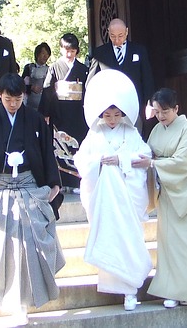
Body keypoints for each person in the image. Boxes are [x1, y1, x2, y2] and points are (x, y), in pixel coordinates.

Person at [0, 73, 64, 322]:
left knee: (32, 245)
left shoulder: (34, 119)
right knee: (4, 247)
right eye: (8, 99)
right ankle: (12, 301)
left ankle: (25, 301)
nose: (13, 104)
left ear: (24, 96)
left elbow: (47, 153)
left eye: (18, 99)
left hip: (30, 187)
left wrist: (53, 184)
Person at [73, 69, 153, 312]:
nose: (112, 119)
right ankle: (113, 285)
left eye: (116, 114)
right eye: (107, 114)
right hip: (105, 200)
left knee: (129, 238)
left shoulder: (131, 131)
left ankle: (130, 290)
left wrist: (120, 159)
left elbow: (145, 154)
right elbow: (81, 161)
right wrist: (99, 160)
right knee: (110, 237)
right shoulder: (93, 134)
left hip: (127, 198)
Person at [131, 87, 187, 308]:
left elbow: (184, 161)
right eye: (157, 112)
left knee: (186, 243)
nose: (161, 116)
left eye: (165, 111)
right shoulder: (156, 130)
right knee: (168, 243)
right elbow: (149, 152)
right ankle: (170, 290)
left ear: (176, 109)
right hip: (167, 191)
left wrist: (153, 163)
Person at [39, 33, 90, 191]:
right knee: (59, 147)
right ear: (61, 49)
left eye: (72, 51)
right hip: (59, 112)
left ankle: (77, 182)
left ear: (77, 51)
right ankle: (60, 182)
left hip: (77, 114)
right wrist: (45, 112)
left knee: (77, 146)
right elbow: (47, 90)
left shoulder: (82, 69)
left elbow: (87, 91)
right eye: (66, 51)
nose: (69, 54)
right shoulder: (54, 67)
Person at [86, 18, 155, 124]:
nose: (117, 40)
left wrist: (150, 103)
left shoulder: (139, 50)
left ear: (127, 32)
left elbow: (147, 78)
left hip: (133, 104)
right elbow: (91, 80)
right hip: (108, 108)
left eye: (120, 35)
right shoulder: (100, 53)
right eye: (113, 36)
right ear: (108, 33)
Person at [21, 42, 51, 111]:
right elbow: (21, 85)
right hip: (29, 105)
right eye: (43, 53)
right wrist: (31, 87)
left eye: (47, 54)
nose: (45, 56)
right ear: (37, 54)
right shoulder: (28, 68)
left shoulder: (50, 70)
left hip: (44, 107)